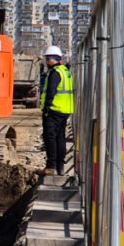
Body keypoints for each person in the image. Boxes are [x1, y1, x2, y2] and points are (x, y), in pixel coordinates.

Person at [40, 45, 73, 176]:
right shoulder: (65, 71)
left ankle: (51, 166)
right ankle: (60, 167)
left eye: (48, 59)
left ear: (53, 59)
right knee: (60, 138)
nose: (46, 61)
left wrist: (46, 109)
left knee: (50, 138)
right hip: (64, 110)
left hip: (54, 110)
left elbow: (51, 92)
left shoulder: (55, 73)